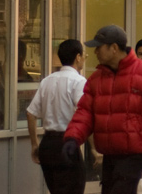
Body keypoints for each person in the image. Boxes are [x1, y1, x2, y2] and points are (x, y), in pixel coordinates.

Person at [63, 25, 142, 194]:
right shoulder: (97, 79)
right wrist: (72, 138)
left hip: (135, 158)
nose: (95, 52)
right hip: (109, 158)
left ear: (113, 48)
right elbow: (85, 112)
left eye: (98, 47)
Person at [26, 39, 88, 194]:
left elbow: (30, 113)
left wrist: (35, 144)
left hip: (47, 145)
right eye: (83, 55)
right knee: (74, 187)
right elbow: (85, 111)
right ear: (78, 57)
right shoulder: (79, 81)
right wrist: (93, 148)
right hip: (68, 144)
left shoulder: (47, 81)